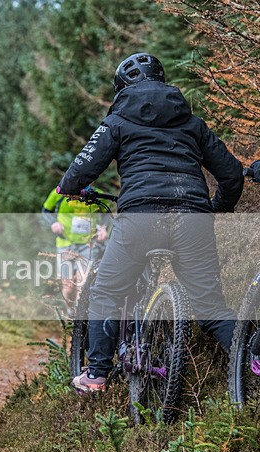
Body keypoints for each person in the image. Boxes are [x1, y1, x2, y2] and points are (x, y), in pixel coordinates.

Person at [55, 52, 244, 393]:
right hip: (192, 217)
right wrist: (216, 208)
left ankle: (96, 375)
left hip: (140, 216)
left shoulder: (117, 120)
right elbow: (231, 174)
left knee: (107, 293)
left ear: (121, 88)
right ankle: (250, 368)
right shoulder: (192, 122)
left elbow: (82, 168)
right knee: (212, 307)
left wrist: (69, 188)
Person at [41, 186, 109, 314]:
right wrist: (53, 223)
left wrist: (103, 228)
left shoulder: (96, 194)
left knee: (82, 282)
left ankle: (79, 317)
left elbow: (106, 213)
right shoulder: (61, 191)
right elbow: (46, 210)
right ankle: (69, 313)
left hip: (89, 245)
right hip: (65, 243)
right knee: (68, 285)